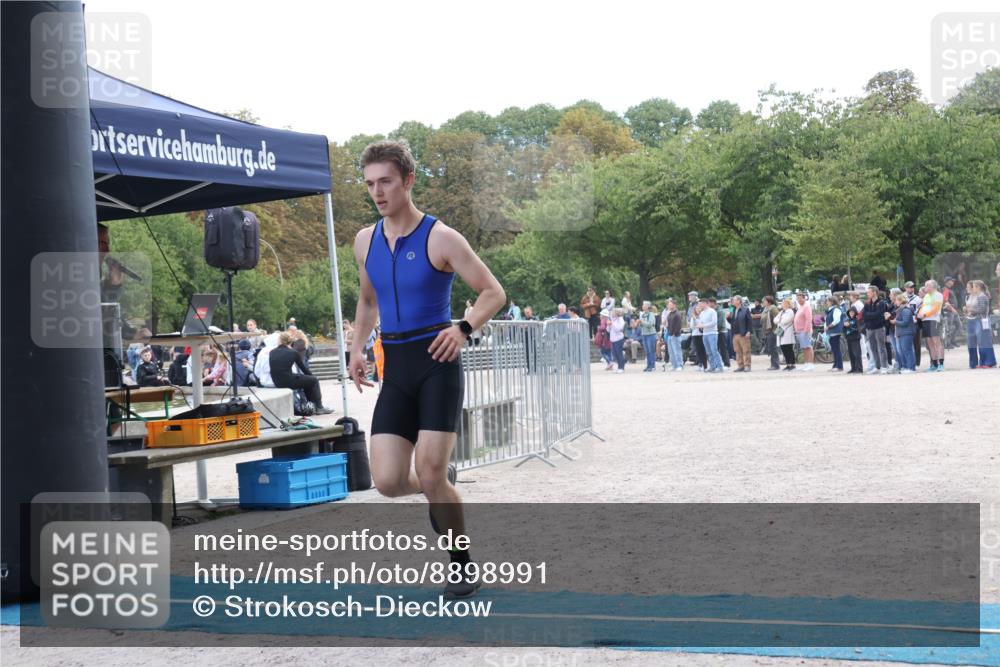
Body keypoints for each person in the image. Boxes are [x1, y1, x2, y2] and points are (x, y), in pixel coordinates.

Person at [350, 140, 505, 599]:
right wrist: (356, 349)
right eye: (370, 184)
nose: (378, 192)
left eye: (386, 182)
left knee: (431, 470)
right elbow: (368, 300)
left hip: (438, 362)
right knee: (388, 482)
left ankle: (460, 564)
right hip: (396, 367)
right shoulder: (364, 241)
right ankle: (440, 485)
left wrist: (464, 328)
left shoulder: (441, 237)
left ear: (408, 180)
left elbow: (493, 292)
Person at [270, 332, 332, 413]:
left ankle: (311, 405)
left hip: (277, 381)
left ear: (279, 340)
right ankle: (319, 407)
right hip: (288, 381)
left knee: (305, 380)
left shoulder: (272, 352)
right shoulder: (293, 352)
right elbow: (304, 369)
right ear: (290, 341)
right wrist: (313, 377)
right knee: (313, 380)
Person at [966, 280, 996, 368]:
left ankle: (989, 362)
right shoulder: (979, 296)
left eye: (974, 286)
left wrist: (971, 309)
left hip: (982, 320)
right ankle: (983, 362)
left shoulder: (982, 296)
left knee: (984, 342)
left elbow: (982, 310)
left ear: (978, 287)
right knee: (981, 342)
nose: (973, 288)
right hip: (977, 320)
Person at [916, 279, 945, 372]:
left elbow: (936, 308)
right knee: (930, 343)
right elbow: (923, 307)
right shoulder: (926, 296)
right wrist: (919, 314)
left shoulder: (938, 295)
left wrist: (925, 315)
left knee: (936, 342)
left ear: (932, 286)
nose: (925, 287)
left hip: (933, 320)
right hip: (925, 320)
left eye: (927, 285)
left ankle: (941, 364)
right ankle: (934, 364)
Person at [862, 285, 890, 374]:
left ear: (874, 292)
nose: (867, 294)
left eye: (869, 292)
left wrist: (870, 315)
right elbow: (864, 315)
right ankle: (877, 367)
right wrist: (872, 315)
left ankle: (884, 366)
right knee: (873, 348)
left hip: (879, 328)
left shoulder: (881, 303)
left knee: (881, 347)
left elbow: (879, 314)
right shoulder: (867, 303)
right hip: (869, 329)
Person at [892, 292, 917, 373]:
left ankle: (911, 368)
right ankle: (906, 367)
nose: (895, 302)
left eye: (896, 300)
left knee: (907, 350)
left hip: (907, 333)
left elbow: (905, 322)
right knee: (904, 351)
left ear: (900, 301)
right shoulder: (900, 310)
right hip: (902, 333)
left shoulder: (905, 310)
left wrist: (895, 322)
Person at [698, 298, 723, 373]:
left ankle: (719, 366)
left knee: (714, 350)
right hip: (705, 333)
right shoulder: (702, 313)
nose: (700, 305)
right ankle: (712, 366)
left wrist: (704, 325)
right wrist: (700, 326)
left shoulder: (712, 311)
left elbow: (714, 322)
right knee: (708, 351)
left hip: (712, 333)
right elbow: (701, 322)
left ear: (705, 303)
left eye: (701, 304)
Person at [730, 295, 752, 372]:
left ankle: (747, 366)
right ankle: (740, 365)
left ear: (739, 301)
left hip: (743, 334)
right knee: (737, 351)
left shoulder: (745, 310)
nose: (733, 301)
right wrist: (728, 318)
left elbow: (749, 321)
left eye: (734, 300)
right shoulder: (733, 310)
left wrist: (749, 331)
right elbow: (733, 322)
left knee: (746, 350)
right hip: (735, 334)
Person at [793, 292, 814, 371]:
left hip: (805, 331)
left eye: (800, 298)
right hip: (800, 331)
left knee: (808, 347)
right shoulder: (801, 307)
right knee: (804, 348)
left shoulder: (806, 306)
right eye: (797, 298)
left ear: (804, 298)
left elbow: (808, 319)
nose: (799, 300)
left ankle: (810, 364)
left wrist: (805, 330)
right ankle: (806, 363)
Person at [903, 281, 923, 367]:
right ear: (906, 288)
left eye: (912, 287)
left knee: (916, 343)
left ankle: (916, 362)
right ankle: (906, 362)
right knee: (905, 344)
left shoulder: (918, 299)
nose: (911, 289)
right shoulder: (902, 297)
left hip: (914, 322)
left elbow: (921, 309)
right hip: (905, 322)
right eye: (909, 287)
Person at [760, 295, 781, 370]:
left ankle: (775, 365)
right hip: (767, 331)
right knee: (770, 348)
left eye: (764, 301)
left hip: (773, 331)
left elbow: (778, 318)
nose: (763, 302)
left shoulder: (773, 308)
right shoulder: (766, 309)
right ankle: (773, 364)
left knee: (773, 348)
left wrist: (775, 331)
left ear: (768, 302)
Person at [824, 295, 844, 372]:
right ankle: (835, 365)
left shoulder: (836, 309)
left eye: (828, 301)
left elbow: (836, 320)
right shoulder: (830, 310)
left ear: (832, 302)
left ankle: (839, 366)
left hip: (835, 331)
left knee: (836, 349)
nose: (826, 302)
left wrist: (829, 326)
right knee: (834, 349)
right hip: (831, 332)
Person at [775, 298, 796, 370]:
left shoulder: (790, 311)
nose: (783, 304)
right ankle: (788, 364)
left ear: (788, 304)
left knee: (789, 348)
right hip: (781, 331)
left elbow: (786, 321)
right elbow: (775, 320)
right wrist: (779, 320)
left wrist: (779, 320)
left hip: (787, 331)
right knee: (783, 348)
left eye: (784, 303)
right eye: (783, 303)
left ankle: (792, 364)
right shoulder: (781, 312)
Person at [664, 298, 683, 371]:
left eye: (670, 304)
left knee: (677, 351)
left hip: (675, 335)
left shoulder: (677, 314)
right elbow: (667, 324)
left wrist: (674, 333)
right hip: (669, 335)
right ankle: (674, 365)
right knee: (671, 352)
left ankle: (679, 365)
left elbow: (678, 325)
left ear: (674, 305)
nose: (668, 306)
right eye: (668, 305)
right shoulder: (670, 314)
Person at [639, 301, 657, 371]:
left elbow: (650, 324)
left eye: (644, 305)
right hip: (644, 334)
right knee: (647, 351)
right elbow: (642, 325)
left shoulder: (651, 314)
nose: (642, 306)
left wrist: (642, 322)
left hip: (651, 334)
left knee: (651, 350)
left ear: (647, 307)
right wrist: (640, 323)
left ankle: (652, 366)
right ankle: (648, 365)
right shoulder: (643, 314)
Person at [689, 300, 707, 370]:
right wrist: (694, 319)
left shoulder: (702, 316)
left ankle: (705, 365)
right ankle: (700, 364)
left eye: (699, 308)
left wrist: (697, 321)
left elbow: (702, 325)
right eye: (696, 309)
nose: (698, 310)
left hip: (701, 334)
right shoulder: (693, 317)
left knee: (703, 350)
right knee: (698, 350)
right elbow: (692, 327)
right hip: (695, 334)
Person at [609, 308, 626, 372]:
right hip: (613, 339)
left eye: (613, 312)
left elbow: (619, 329)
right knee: (615, 354)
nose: (611, 313)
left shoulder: (620, 319)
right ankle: (619, 367)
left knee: (619, 353)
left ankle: (621, 367)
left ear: (616, 313)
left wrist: (612, 324)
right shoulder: (612, 319)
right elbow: (608, 330)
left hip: (619, 339)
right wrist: (608, 325)